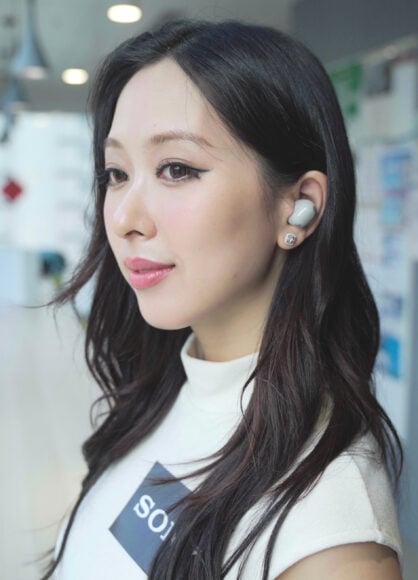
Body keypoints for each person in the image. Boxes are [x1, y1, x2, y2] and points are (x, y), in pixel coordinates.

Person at [43, 18, 403, 580]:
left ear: (299, 206)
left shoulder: (332, 527)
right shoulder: (164, 392)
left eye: (177, 169)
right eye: (116, 173)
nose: (125, 217)